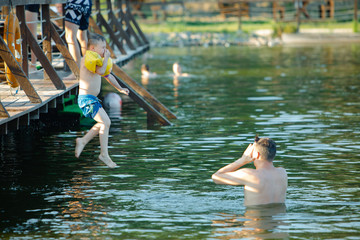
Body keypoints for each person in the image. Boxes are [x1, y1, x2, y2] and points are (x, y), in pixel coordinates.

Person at [75, 33, 129, 168]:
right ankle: (104, 154)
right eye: (103, 48)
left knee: (102, 123)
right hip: (86, 99)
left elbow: (108, 75)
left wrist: (120, 88)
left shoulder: (96, 59)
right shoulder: (87, 59)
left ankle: (83, 141)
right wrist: (106, 59)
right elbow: (101, 71)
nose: (105, 51)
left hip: (92, 99)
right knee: (106, 122)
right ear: (92, 48)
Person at [212, 136, 287, 206]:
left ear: (257, 155)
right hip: (278, 219)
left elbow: (216, 177)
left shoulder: (249, 174)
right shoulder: (282, 173)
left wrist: (242, 160)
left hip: (255, 219)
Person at [64, 0, 92, 79]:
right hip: (86, 2)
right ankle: (88, 67)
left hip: (75, 3)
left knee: (70, 37)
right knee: (82, 37)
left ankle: (77, 72)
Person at [25, 4, 40, 72]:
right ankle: (31, 64)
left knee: (31, 34)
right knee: (29, 34)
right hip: (27, 6)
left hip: (30, 6)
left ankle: (33, 65)